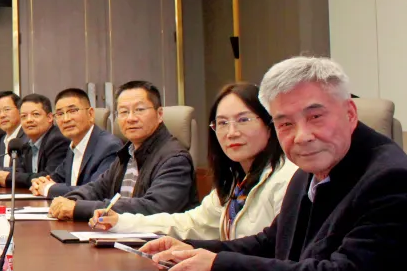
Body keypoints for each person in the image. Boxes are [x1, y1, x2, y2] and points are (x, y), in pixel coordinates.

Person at [147, 57, 407, 271]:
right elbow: (272, 242)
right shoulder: (309, 170)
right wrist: (192, 249)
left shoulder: (391, 179)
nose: (302, 136)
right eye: (285, 123)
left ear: (350, 113)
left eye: (315, 117)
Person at [90, 83, 295, 239]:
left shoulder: (287, 180)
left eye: (243, 120)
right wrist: (121, 222)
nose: (231, 132)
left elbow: (279, 257)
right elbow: (192, 223)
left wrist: (211, 259)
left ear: (270, 123)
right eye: (222, 123)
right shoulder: (236, 182)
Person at [49, 81, 197, 222]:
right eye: (124, 112)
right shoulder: (128, 152)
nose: (130, 118)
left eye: (139, 110)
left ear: (159, 114)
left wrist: (79, 208)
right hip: (124, 234)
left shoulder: (175, 158)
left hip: (159, 238)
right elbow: (98, 188)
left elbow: (154, 207)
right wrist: (69, 200)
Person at [30, 88, 122, 198]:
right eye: (60, 113)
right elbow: (56, 177)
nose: (66, 119)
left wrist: (48, 188)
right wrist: (39, 183)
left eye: (72, 111)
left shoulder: (109, 146)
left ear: (90, 114)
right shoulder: (74, 146)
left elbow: (95, 191)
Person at [0, 93, 67, 189]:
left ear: (50, 117)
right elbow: (20, 171)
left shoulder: (57, 140)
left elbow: (49, 178)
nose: (29, 120)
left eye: (35, 114)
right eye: (24, 116)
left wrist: (9, 178)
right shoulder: (27, 145)